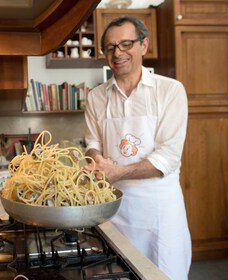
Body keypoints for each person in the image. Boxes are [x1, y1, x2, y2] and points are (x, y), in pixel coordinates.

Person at [84, 15, 191, 280]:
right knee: (118, 275)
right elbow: (92, 144)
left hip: (159, 214)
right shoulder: (97, 96)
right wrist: (97, 160)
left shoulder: (170, 91)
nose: (117, 53)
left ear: (144, 45)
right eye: (110, 47)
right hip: (113, 211)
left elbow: (167, 158)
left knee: (164, 273)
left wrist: (116, 172)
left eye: (126, 44)